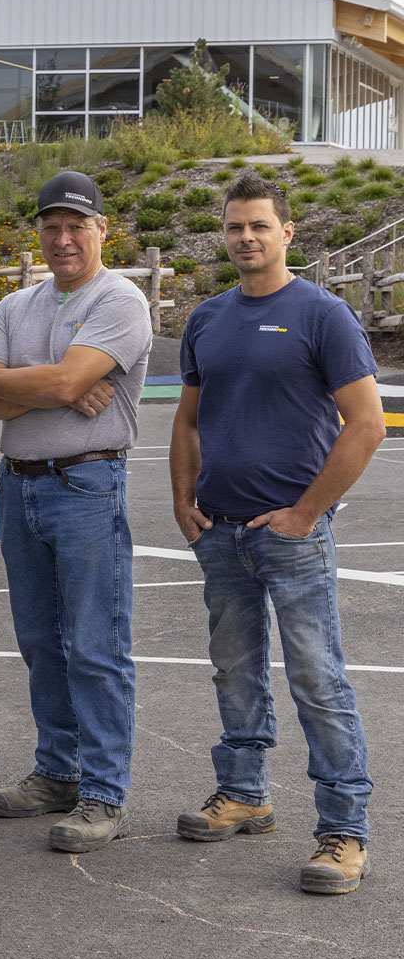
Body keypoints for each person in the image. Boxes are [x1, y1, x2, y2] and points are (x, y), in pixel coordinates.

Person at [170, 172, 384, 895]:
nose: (245, 238)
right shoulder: (207, 319)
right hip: (222, 534)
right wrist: (182, 502)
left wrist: (305, 513)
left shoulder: (322, 315)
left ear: (286, 233)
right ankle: (244, 791)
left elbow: (368, 423)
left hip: (293, 539)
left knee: (318, 682)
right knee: (234, 671)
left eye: (258, 226)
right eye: (234, 227)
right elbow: (188, 420)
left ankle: (343, 831)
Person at [0, 171, 152, 854]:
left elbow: (49, 381)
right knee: (42, 642)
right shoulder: (17, 305)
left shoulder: (120, 300)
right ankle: (57, 772)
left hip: (86, 485)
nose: (63, 238)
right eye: (52, 226)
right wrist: (57, 390)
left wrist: (38, 383)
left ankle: (103, 794)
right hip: (18, 485)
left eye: (77, 226)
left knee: (95, 646)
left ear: (103, 230)